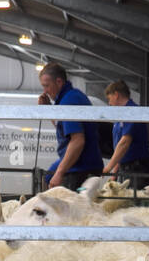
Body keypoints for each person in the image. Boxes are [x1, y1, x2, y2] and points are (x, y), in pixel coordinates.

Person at [38, 62, 103, 190]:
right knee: (47, 177)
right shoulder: (71, 96)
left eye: (47, 86)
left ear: (59, 82)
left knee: (62, 202)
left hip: (80, 168)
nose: (45, 91)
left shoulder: (69, 101)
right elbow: (61, 126)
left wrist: (60, 173)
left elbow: (77, 141)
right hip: (86, 164)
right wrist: (49, 109)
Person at [102, 80, 149, 190]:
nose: (109, 103)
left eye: (109, 99)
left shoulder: (132, 111)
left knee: (132, 202)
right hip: (126, 167)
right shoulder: (121, 116)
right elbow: (119, 148)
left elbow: (124, 142)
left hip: (137, 167)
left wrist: (108, 167)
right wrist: (114, 173)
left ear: (116, 95)